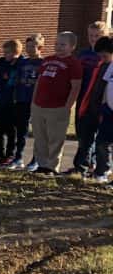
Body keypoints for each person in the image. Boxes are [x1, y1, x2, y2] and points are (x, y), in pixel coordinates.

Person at [29, 32, 82, 175]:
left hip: (58, 107)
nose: (59, 47)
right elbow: (39, 81)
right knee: (40, 137)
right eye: (57, 44)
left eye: (63, 45)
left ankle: (51, 166)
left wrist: (67, 107)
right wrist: (34, 101)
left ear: (72, 47)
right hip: (39, 105)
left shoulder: (73, 63)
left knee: (55, 138)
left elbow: (75, 87)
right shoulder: (47, 60)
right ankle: (41, 164)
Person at [72, 21, 109, 175]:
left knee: (91, 134)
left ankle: (84, 165)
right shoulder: (83, 54)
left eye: (97, 36)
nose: (93, 39)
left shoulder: (106, 56)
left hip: (98, 99)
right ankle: (87, 163)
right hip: (82, 97)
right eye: (91, 35)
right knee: (81, 132)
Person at [13, 33, 44, 171]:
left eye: (33, 47)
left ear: (40, 48)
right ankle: (18, 157)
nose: (29, 49)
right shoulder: (23, 62)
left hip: (35, 101)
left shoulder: (43, 63)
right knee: (21, 130)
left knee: (37, 131)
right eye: (28, 47)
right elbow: (17, 80)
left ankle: (35, 159)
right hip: (22, 99)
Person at [0, 39, 22, 167]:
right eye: (4, 52)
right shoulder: (3, 62)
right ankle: (0, 154)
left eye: (8, 52)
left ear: (16, 52)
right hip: (0, 101)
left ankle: (10, 155)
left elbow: (15, 80)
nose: (5, 55)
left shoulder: (21, 64)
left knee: (11, 130)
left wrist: (7, 77)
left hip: (13, 102)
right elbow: (0, 79)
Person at [88, 36, 113, 182]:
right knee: (102, 142)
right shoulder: (109, 67)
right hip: (108, 111)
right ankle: (102, 170)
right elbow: (104, 86)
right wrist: (102, 106)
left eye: (105, 55)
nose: (102, 58)